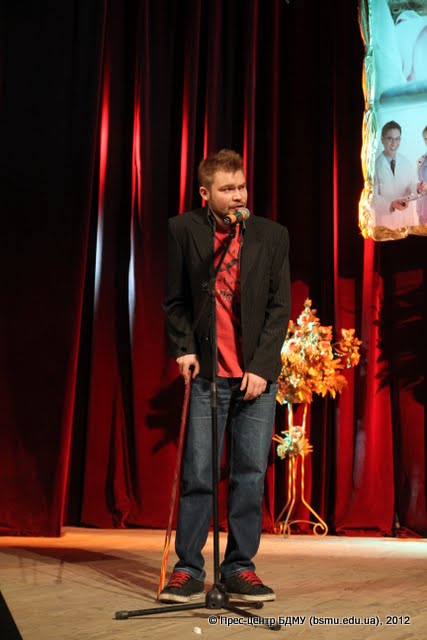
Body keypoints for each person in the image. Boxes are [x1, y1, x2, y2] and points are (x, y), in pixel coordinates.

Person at [160, 149, 290, 604]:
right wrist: (184, 348)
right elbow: (175, 299)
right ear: (205, 193)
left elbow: (279, 308)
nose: (238, 196)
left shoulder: (271, 235)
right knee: (198, 473)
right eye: (227, 189)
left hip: (255, 377)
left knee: (249, 474)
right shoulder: (183, 230)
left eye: (241, 186)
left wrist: (261, 368)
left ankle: (239, 567)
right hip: (208, 376)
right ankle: (188, 568)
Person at [372, 120, 424, 229]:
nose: (394, 143)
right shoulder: (374, 166)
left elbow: (412, 183)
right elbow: (372, 197)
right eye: (390, 139)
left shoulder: (406, 162)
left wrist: (418, 187)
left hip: (406, 221)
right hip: (386, 223)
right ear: (382, 140)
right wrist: (391, 204)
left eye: (397, 139)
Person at [416, 125, 427, 224]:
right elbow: (419, 180)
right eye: (425, 139)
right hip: (423, 212)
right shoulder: (421, 160)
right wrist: (418, 186)